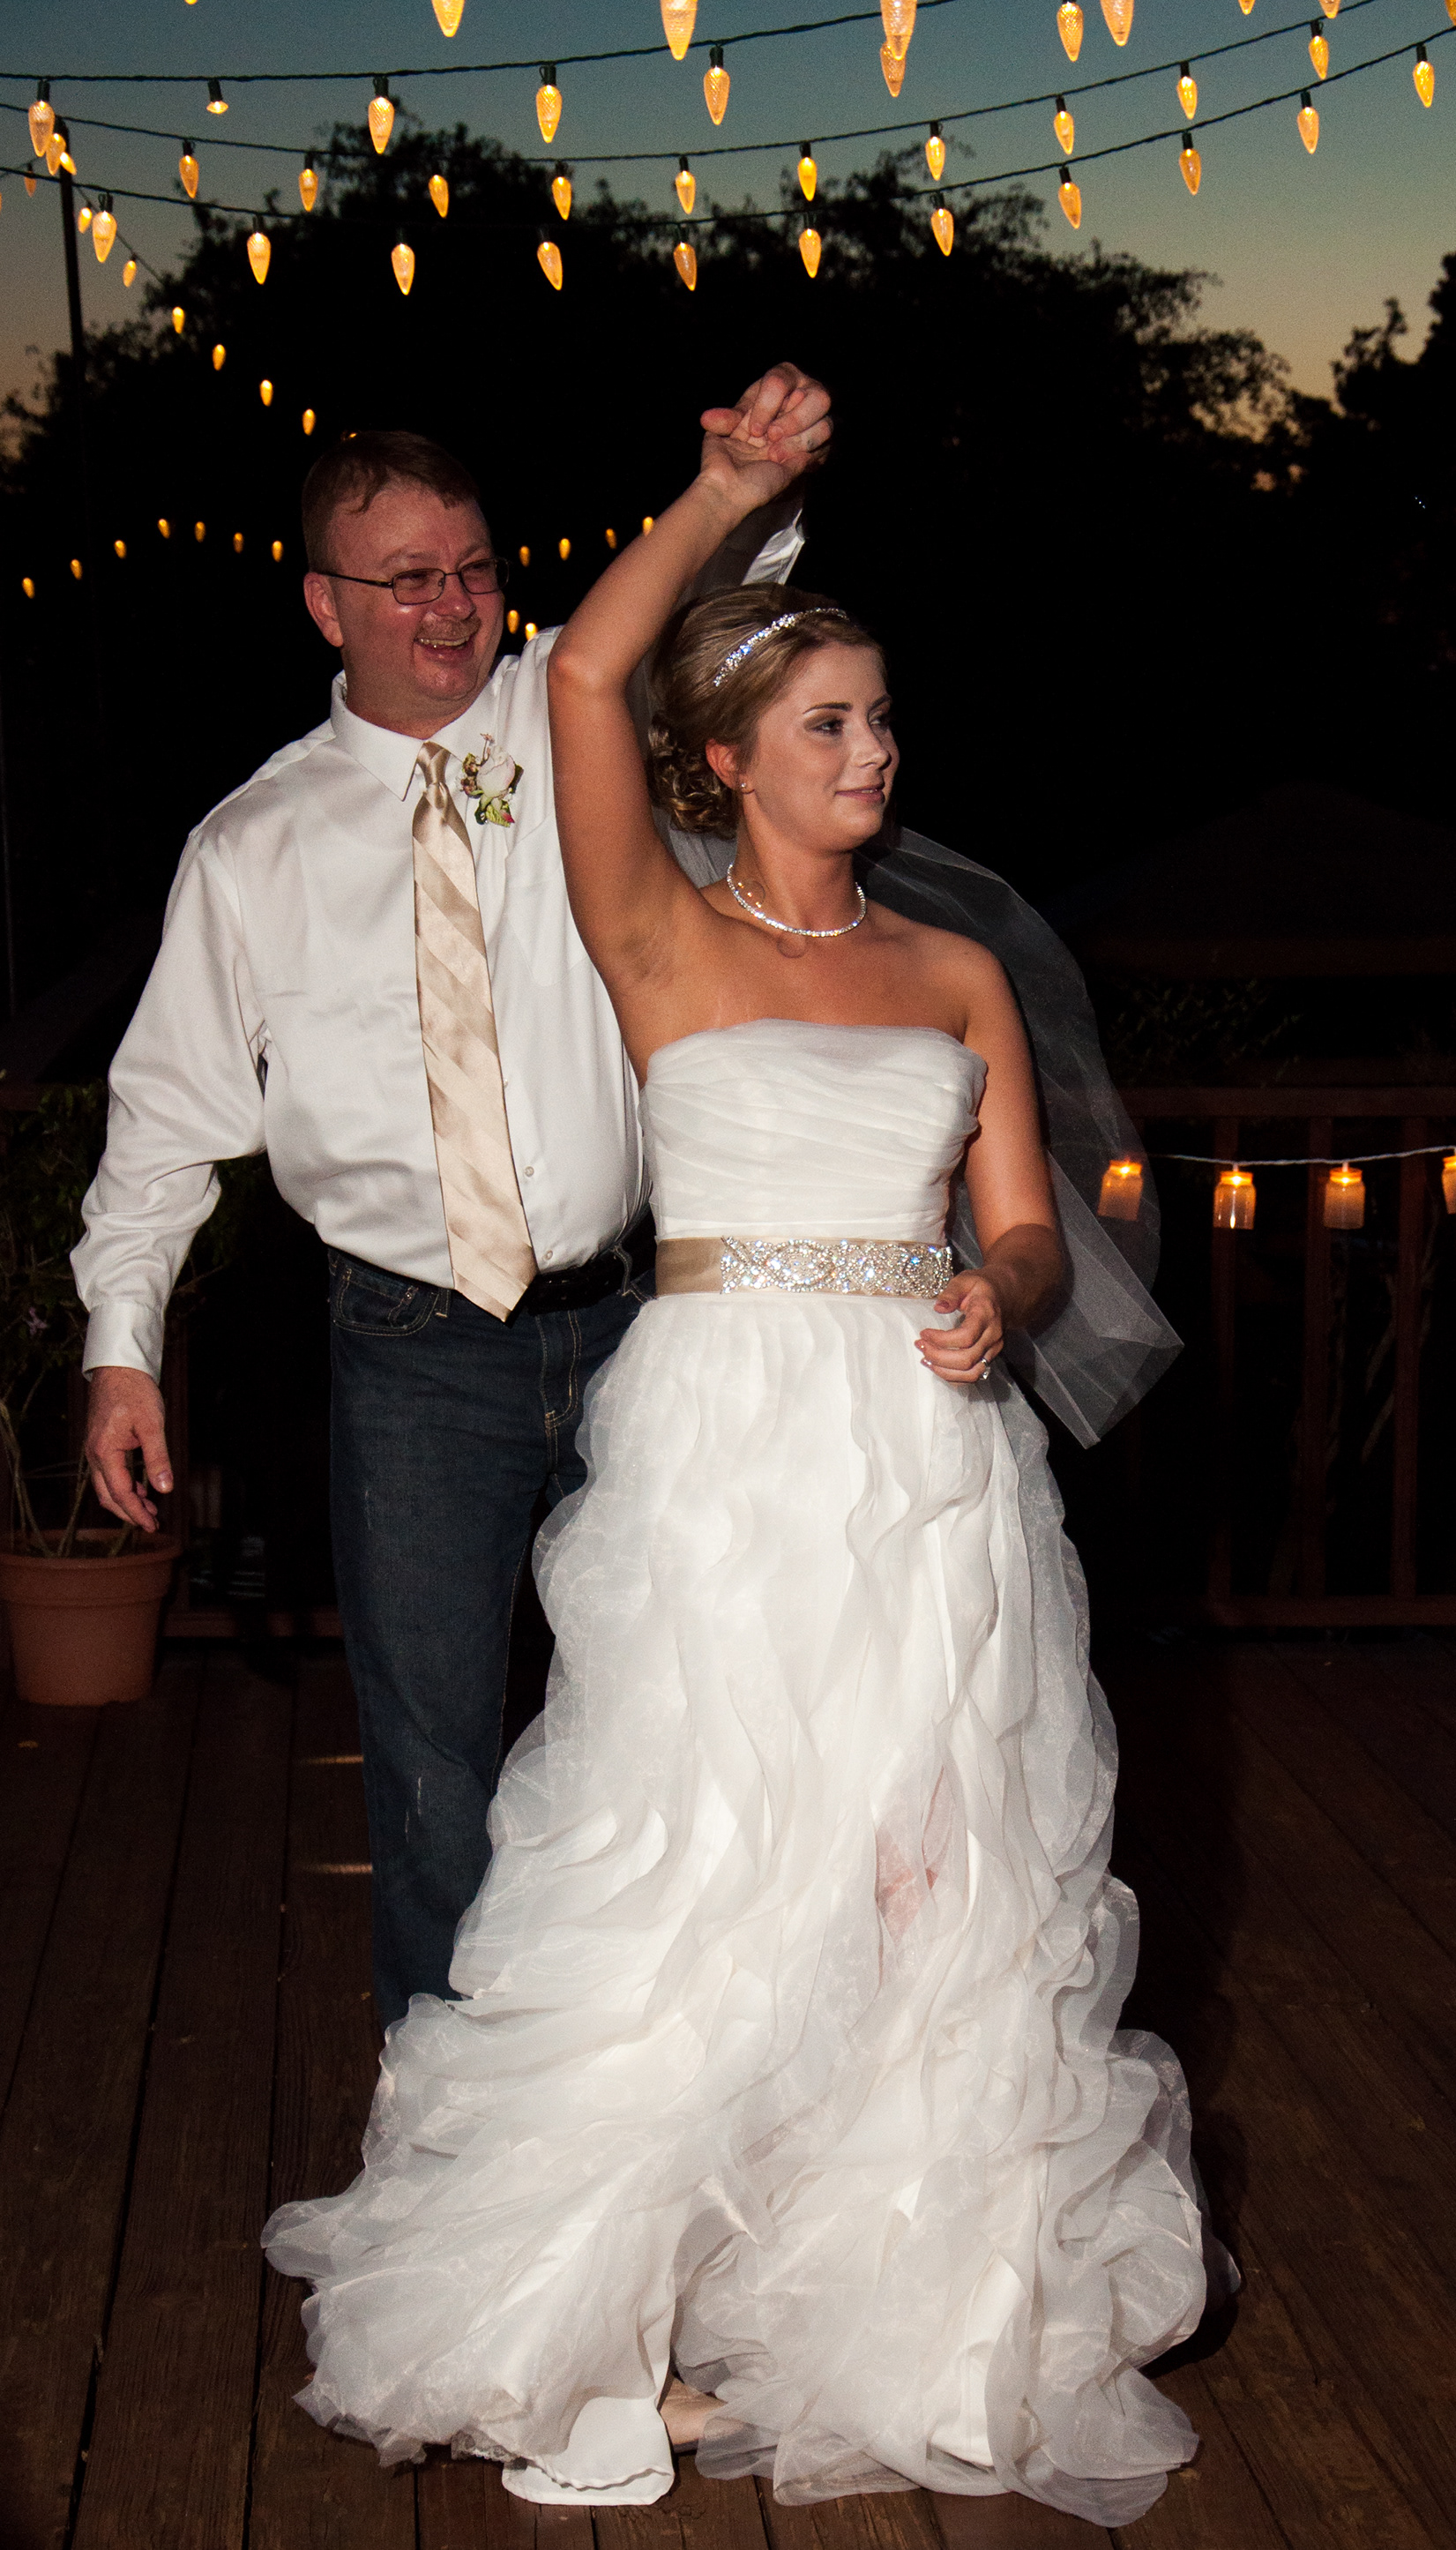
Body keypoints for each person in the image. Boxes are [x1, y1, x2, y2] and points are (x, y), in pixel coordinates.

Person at [262, 387, 1223, 2516]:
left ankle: (897, 2303)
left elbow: (1026, 1222)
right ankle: (597, 2319)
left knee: (932, 1875)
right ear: (728, 762)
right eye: (829, 725)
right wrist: (728, 494)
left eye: (883, 722)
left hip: (930, 1456)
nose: (873, 755)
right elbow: (580, 673)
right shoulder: (661, 936)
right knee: (702, 1856)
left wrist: (1006, 1298)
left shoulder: (956, 970)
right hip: (721, 1449)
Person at [71, 372, 828, 2028]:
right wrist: (121, 1350)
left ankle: (655, 2069)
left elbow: (726, 613)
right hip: (413, 1355)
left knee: (688, 1716)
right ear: (322, 605)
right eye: (406, 577)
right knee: (432, 1776)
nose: (452, 604)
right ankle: (444, 2105)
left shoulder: (576, 708)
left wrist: (745, 484)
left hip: (641, 1327)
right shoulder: (250, 846)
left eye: (474, 566)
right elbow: (164, 1122)